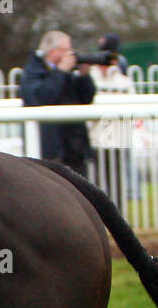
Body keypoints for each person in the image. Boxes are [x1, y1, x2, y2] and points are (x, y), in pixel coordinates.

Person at [19, 31, 97, 177]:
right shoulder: (33, 71)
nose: (70, 53)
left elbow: (86, 99)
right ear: (53, 51)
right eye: (66, 49)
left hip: (74, 147)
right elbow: (41, 99)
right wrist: (60, 72)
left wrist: (84, 76)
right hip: (50, 150)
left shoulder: (68, 73)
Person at [87, 51, 140, 210]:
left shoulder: (124, 82)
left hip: (118, 140)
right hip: (96, 140)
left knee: (117, 185)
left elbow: (132, 109)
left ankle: (118, 217)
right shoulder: (91, 79)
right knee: (96, 184)